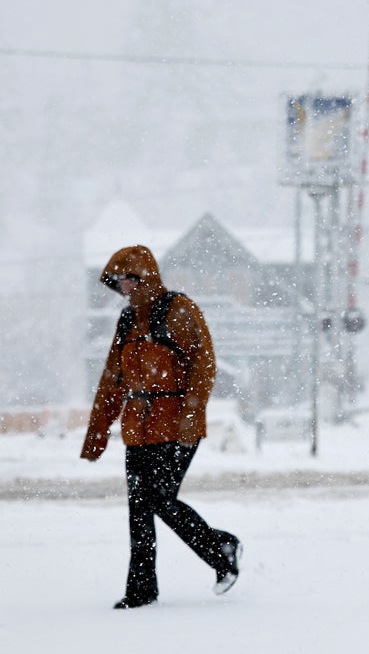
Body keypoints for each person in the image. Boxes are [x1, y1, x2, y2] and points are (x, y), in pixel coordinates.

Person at [80, 244, 242, 609]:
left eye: (127, 281)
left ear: (144, 277)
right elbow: (113, 380)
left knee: (159, 500)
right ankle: (141, 590)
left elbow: (204, 364)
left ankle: (220, 549)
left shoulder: (178, 310)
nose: (123, 289)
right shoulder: (126, 322)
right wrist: (97, 434)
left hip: (176, 427)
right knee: (139, 511)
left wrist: (191, 416)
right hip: (138, 428)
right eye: (118, 284)